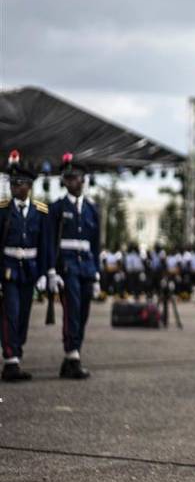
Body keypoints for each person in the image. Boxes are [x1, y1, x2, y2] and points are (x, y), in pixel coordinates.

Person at [0, 150, 54, 381]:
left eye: (20, 183)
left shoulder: (40, 212)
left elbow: (46, 245)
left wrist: (46, 272)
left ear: (29, 186)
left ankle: (17, 354)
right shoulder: (3, 210)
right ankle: (11, 360)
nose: (15, 188)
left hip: (29, 270)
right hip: (8, 268)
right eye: (13, 183)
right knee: (10, 313)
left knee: (23, 314)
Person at [50, 152, 100, 380]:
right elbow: (51, 242)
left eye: (75, 178)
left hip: (87, 266)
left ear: (83, 180)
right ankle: (72, 356)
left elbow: (96, 244)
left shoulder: (92, 210)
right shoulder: (57, 208)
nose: (71, 182)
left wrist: (97, 273)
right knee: (72, 312)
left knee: (84, 312)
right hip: (67, 266)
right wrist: (51, 270)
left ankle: (72, 355)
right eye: (67, 179)